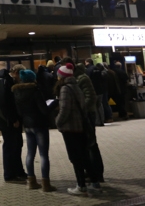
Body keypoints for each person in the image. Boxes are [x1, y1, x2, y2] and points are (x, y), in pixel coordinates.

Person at [54, 63, 101, 195]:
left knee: (75, 158)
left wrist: (57, 122)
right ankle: (94, 182)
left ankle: (81, 186)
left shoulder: (65, 89)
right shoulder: (76, 86)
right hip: (80, 127)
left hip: (70, 128)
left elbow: (64, 110)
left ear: (61, 76)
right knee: (84, 156)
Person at [12, 69, 56, 192]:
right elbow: (44, 110)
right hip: (39, 124)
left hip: (27, 125)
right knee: (43, 154)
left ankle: (32, 181)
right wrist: (54, 103)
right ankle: (46, 183)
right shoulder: (35, 91)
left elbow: (19, 112)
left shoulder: (17, 92)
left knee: (30, 153)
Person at [0, 64, 28, 183]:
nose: (21, 79)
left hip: (11, 120)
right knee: (10, 146)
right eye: (21, 76)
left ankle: (19, 171)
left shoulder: (6, 82)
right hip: (8, 122)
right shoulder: (4, 82)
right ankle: (9, 174)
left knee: (17, 145)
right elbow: (5, 104)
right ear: (16, 73)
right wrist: (13, 119)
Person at [74, 63, 104, 183]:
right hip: (84, 115)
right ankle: (92, 172)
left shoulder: (82, 78)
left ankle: (96, 174)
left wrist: (82, 111)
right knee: (86, 145)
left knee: (91, 144)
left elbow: (90, 96)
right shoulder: (78, 78)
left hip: (87, 115)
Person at [86, 59, 105, 126]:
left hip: (94, 90)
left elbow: (88, 80)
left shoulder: (88, 70)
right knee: (100, 105)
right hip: (100, 90)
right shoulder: (98, 69)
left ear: (88, 62)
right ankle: (102, 120)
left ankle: (97, 121)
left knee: (94, 106)